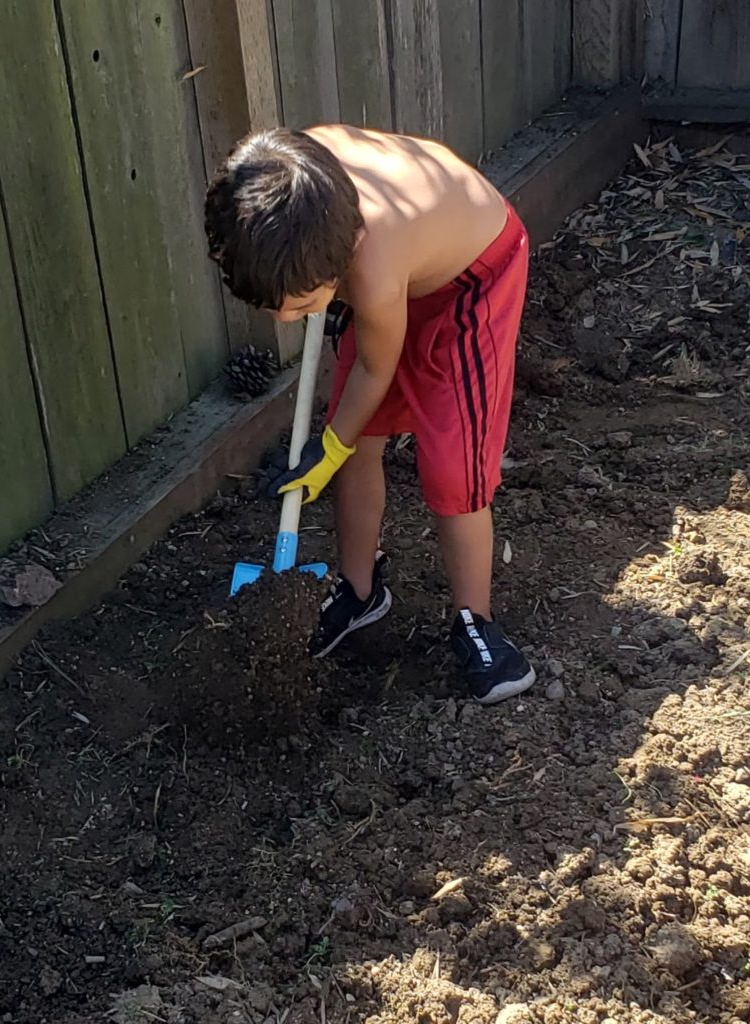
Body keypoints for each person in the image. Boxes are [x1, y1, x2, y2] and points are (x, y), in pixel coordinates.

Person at [205, 125, 535, 705]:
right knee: (358, 438)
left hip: (471, 282)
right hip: (391, 275)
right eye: (275, 308)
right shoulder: (287, 188)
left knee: (453, 469)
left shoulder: (374, 265)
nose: (288, 323)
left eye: (305, 307)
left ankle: (475, 621)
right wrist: (340, 442)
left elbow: (374, 374)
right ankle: (359, 592)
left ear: (342, 257)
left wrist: (326, 448)